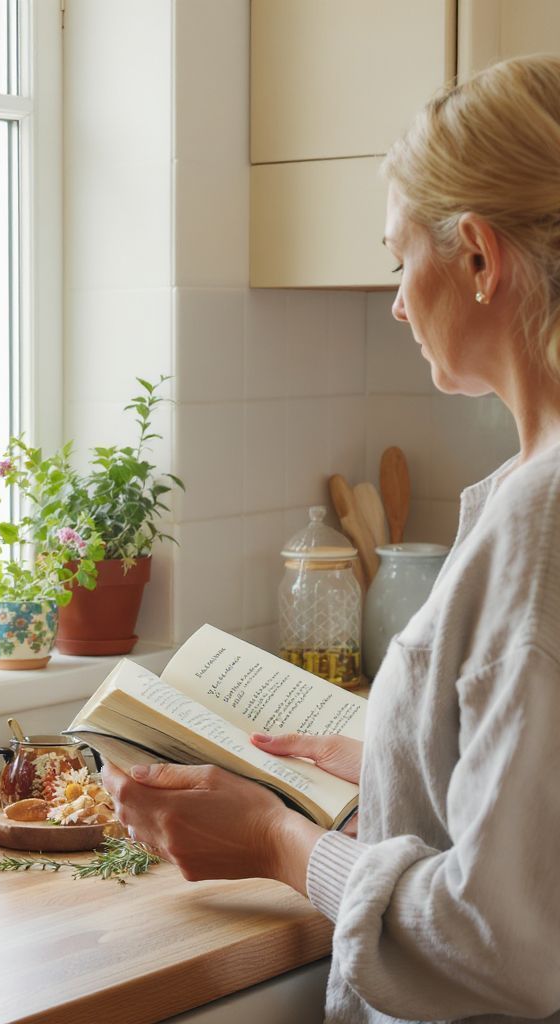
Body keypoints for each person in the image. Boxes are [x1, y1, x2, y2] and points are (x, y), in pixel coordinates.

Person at [103, 54, 560, 1024]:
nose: (396, 300)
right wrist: (390, 757)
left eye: (401, 259)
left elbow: (507, 940)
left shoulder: (542, 521)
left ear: (479, 257)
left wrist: (273, 839)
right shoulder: (522, 495)